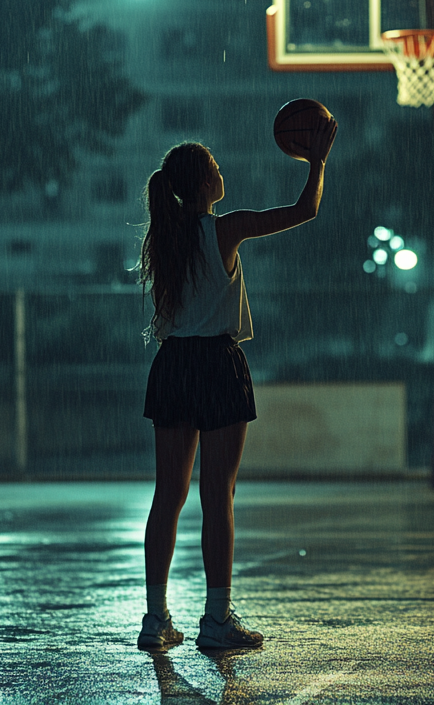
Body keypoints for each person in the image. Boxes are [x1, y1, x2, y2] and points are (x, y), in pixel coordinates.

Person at [135, 116, 337, 651]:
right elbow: (305, 211)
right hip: (217, 365)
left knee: (167, 498)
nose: (222, 172)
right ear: (204, 184)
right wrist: (316, 162)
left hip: (173, 363)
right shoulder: (224, 228)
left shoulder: (166, 236)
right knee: (216, 495)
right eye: (216, 168)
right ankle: (216, 620)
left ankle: (155, 620)